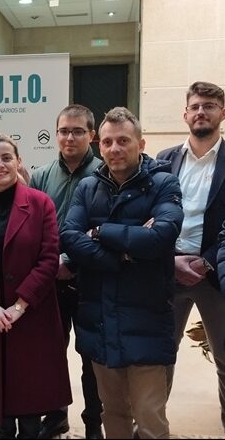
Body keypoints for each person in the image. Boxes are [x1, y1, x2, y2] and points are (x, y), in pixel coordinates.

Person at [60, 107, 184, 438]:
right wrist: (124, 255)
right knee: (113, 413)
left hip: (147, 320)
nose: (115, 148)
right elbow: (69, 237)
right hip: (100, 319)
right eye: (108, 142)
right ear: (99, 146)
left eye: (123, 140)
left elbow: (160, 237)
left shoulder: (164, 183)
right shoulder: (88, 187)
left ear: (140, 144)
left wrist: (100, 231)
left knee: (149, 418)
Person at [0, 134, 72, 439]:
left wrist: (19, 306)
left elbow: (49, 259)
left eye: (6, 158)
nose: (0, 165)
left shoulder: (41, 203)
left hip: (32, 317)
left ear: (18, 161)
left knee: (31, 411)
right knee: (0, 412)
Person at [29, 104, 103, 439]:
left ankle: (93, 423)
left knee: (91, 357)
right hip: (50, 281)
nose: (69, 137)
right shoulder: (41, 176)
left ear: (92, 135)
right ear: (56, 134)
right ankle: (56, 416)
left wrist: (72, 262)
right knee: (50, 354)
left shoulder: (104, 173)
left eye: (77, 131)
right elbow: (34, 230)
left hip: (91, 280)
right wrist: (52, 264)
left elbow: (104, 228)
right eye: (63, 131)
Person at [156, 81, 225, 432]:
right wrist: (169, 259)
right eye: (195, 106)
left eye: (209, 106)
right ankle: (151, 429)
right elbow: (150, 214)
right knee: (160, 355)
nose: (201, 112)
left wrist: (206, 261)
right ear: (185, 114)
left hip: (215, 274)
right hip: (168, 270)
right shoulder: (164, 160)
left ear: (222, 113)